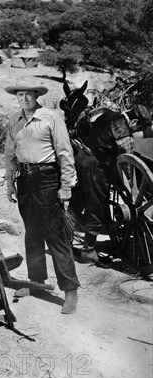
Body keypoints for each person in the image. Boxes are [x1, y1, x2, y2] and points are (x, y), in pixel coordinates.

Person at [4, 76, 80, 314]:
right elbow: (9, 155)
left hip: (47, 178)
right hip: (24, 180)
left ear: (36, 96)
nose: (24, 98)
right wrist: (10, 184)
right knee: (32, 233)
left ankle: (70, 290)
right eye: (19, 94)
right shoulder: (14, 121)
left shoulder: (51, 118)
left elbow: (65, 153)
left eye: (28, 94)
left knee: (55, 234)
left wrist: (66, 185)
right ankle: (36, 283)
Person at [71, 104, 152, 262]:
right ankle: (88, 251)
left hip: (81, 156)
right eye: (139, 128)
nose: (138, 132)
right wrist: (133, 192)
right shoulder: (125, 136)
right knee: (97, 205)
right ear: (134, 121)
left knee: (78, 200)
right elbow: (129, 167)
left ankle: (63, 243)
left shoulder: (109, 115)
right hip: (94, 165)